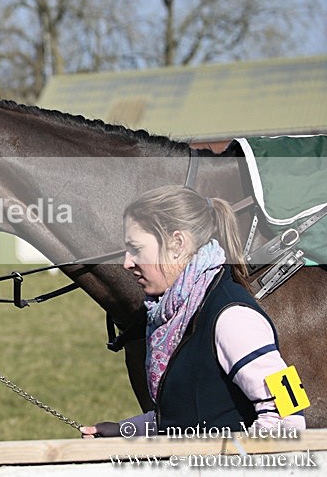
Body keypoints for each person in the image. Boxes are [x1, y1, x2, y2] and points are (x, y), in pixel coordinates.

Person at [81, 186, 306, 438]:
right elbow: (186, 419)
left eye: (136, 249)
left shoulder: (233, 317)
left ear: (177, 243)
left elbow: (289, 412)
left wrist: (235, 463)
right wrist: (123, 431)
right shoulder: (178, 314)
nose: (127, 262)